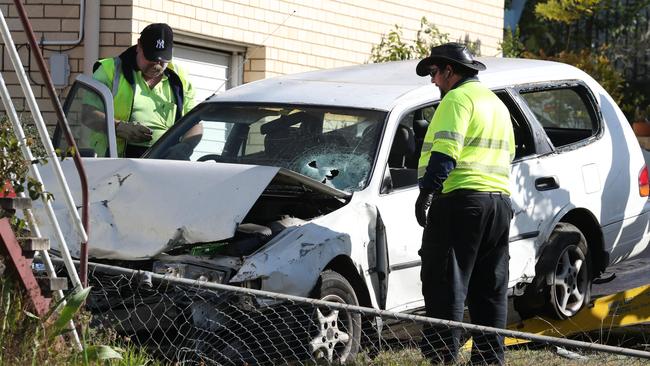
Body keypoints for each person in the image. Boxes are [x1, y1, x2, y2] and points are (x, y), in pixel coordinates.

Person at [414, 43, 515, 365]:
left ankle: (442, 359)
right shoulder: (496, 103)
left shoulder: (456, 99)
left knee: (445, 285)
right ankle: (488, 360)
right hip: (498, 204)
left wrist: (427, 192)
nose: (433, 81)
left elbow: (445, 151)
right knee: (490, 290)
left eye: (434, 73)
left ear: (449, 70)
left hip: (460, 201)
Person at [85, 23, 198, 157]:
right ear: (139, 46)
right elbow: (87, 114)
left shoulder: (180, 78)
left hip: (166, 163)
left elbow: (194, 123)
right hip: (115, 162)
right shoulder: (110, 70)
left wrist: (184, 147)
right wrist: (118, 127)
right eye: (151, 58)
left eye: (163, 60)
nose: (157, 65)